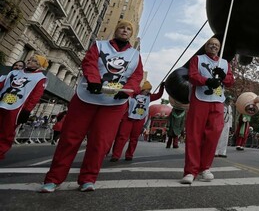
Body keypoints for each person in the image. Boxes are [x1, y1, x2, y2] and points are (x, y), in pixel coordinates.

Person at [40, 20, 144, 193]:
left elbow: (136, 76)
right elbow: (89, 63)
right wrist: (94, 81)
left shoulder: (135, 55)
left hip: (114, 104)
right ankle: (53, 179)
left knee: (100, 142)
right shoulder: (99, 45)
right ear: (115, 30)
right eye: (121, 28)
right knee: (70, 139)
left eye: (128, 29)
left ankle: (88, 179)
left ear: (131, 34)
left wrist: (127, 92)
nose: (124, 31)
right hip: (86, 97)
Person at [180, 37, 234, 184]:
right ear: (206, 46)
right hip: (200, 100)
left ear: (219, 48)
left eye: (216, 45)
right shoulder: (197, 59)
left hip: (217, 101)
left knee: (214, 134)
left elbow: (230, 81)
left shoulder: (224, 63)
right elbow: (192, 75)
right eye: (211, 44)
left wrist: (223, 76)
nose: (214, 46)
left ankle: (205, 167)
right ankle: (191, 171)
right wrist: (206, 80)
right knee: (194, 134)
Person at [0, 55, 49, 159]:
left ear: (39, 65)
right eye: (29, 59)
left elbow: (35, 96)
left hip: (17, 108)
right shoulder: (14, 72)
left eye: (34, 61)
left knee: (7, 132)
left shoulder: (41, 78)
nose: (29, 61)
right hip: (2, 102)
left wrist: (26, 111)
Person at [110, 80, 165, 162]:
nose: (148, 91)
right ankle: (116, 155)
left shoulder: (149, 97)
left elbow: (158, 95)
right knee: (122, 137)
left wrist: (162, 87)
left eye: (149, 90)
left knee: (134, 138)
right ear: (142, 89)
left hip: (139, 119)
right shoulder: (132, 94)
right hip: (128, 118)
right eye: (147, 89)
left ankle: (129, 155)